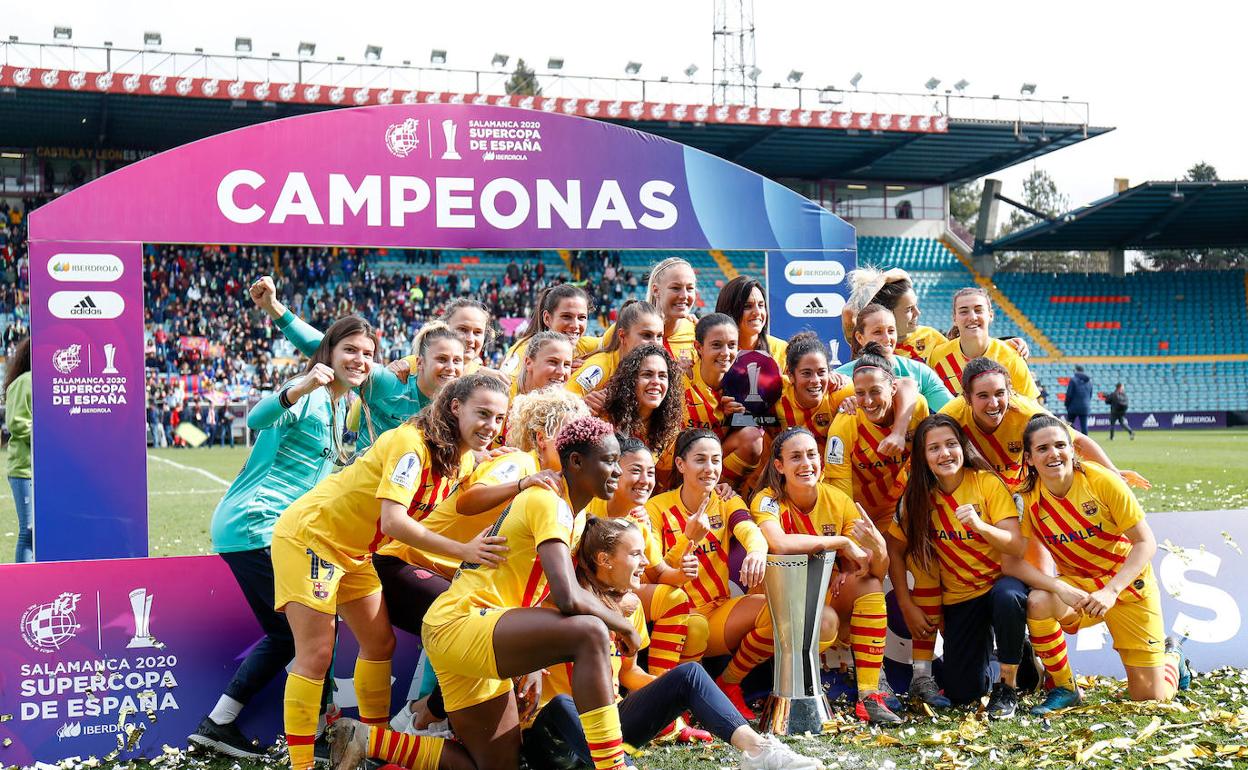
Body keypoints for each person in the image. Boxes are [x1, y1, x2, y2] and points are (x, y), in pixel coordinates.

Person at [272, 372, 510, 770]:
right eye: (482, 414)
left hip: (354, 553)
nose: (491, 426)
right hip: (312, 539)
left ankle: (371, 747)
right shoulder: (410, 443)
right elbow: (396, 522)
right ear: (455, 407)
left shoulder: (461, 454)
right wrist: (464, 550)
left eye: (499, 418)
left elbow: (469, 489)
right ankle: (302, 765)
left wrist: (517, 481)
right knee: (315, 655)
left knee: (380, 645)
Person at [404, 417, 639, 770]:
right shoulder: (549, 502)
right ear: (575, 462)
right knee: (591, 630)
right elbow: (567, 597)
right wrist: (622, 625)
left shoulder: (573, 511)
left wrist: (533, 660)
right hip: (463, 623)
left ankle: (369, 740)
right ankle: (613, 766)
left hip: (470, 630)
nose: (617, 472)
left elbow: (544, 593)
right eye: (608, 461)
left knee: (501, 767)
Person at [192, 317, 376, 758]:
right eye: (350, 348)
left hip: (277, 531)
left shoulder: (341, 408)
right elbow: (257, 417)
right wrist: (301, 385)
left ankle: (222, 724)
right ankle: (310, 732)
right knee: (310, 630)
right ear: (329, 352)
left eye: (368, 353)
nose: (360, 359)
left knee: (290, 634)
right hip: (259, 525)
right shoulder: (309, 394)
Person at [518, 517, 824, 770]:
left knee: (687, 676)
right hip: (552, 740)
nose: (646, 561)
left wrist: (667, 694)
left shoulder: (629, 606)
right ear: (604, 559)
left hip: (605, 731)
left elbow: (628, 674)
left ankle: (761, 752)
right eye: (636, 553)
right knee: (563, 704)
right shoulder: (556, 606)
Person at [379, 387, 589, 734]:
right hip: (408, 562)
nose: (575, 447)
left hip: (455, 577)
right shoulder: (521, 463)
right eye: (567, 435)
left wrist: (532, 656)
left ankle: (427, 719)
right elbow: (468, 501)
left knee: (480, 632)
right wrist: (521, 482)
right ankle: (418, 719)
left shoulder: (562, 499)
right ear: (541, 439)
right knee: (465, 627)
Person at [1004, 414, 1190, 716]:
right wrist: (1058, 586)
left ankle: (1173, 658)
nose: (1054, 454)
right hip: (1081, 587)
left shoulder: (1102, 481)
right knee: (1039, 601)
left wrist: (1112, 590)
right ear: (1029, 457)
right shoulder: (1028, 499)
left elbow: (1146, 543)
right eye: (1043, 449)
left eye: (1060, 445)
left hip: (1127, 585)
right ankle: (1064, 688)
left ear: (1072, 449)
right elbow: (1012, 563)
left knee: (1151, 698)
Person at [751, 427, 897, 723]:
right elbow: (779, 543)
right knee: (824, 620)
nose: (806, 463)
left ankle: (869, 696)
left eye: (811, 455)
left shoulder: (838, 500)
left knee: (868, 585)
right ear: (779, 466)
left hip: (828, 599)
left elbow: (875, 570)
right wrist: (841, 544)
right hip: (780, 608)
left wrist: (879, 548)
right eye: (795, 457)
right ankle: (799, 689)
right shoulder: (767, 499)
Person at [889, 414, 1029, 718]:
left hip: (998, 585)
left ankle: (1009, 682)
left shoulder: (986, 482)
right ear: (923, 457)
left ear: (963, 447)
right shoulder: (917, 498)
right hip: (960, 598)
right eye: (934, 448)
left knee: (1008, 597)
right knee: (964, 692)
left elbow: (1017, 545)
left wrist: (981, 527)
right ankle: (1017, 654)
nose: (945, 454)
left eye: (951, 444)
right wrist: (906, 603)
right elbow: (895, 550)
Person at [251, 276, 466, 452]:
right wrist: (274, 308)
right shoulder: (391, 384)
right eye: (441, 359)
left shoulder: (461, 406)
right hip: (364, 496)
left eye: (457, 361)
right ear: (420, 363)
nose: (451, 367)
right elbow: (325, 348)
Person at [645, 429, 770, 719]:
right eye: (700, 460)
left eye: (716, 460)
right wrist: (687, 539)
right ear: (680, 465)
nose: (710, 468)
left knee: (775, 613)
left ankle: (729, 683)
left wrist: (756, 552)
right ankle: (682, 703)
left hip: (716, 614)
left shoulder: (726, 500)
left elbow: (751, 530)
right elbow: (654, 573)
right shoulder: (656, 508)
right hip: (673, 619)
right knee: (695, 625)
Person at [938, 357, 1146, 489]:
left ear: (1009, 391)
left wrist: (1115, 474)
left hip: (1022, 490)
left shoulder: (1028, 412)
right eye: (983, 396)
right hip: (976, 490)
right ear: (967, 397)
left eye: (1000, 394)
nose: (993, 403)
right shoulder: (950, 416)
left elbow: (1079, 441)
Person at [824, 342, 930, 528]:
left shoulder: (917, 407)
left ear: (893, 389)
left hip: (900, 508)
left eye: (876, 391)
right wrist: (855, 529)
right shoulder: (844, 423)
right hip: (860, 513)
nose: (868, 401)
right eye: (860, 393)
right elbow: (840, 494)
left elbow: (923, 464)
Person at [682, 313, 764, 488]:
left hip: (713, 464)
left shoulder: (746, 384)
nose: (726, 353)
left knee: (754, 437)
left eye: (732, 345)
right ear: (698, 347)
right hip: (679, 466)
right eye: (717, 345)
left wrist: (736, 418)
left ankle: (724, 493)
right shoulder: (680, 380)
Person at [926, 288, 1039, 400]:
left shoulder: (1011, 357)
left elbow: (1031, 406)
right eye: (964, 311)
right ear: (954, 318)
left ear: (990, 315)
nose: (972, 317)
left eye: (978, 310)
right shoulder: (937, 356)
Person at [836, 303, 951, 411]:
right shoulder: (841, 377)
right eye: (877, 332)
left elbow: (953, 412)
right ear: (860, 338)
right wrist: (841, 407)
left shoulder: (920, 373)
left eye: (891, 331)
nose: (887, 339)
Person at [600, 344, 685, 488]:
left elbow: (661, 486)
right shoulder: (605, 417)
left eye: (662, 376)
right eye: (647, 374)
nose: (656, 382)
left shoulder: (669, 431)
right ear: (630, 379)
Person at [567, 300, 664, 405]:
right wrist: (582, 405)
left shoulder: (653, 370)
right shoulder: (598, 369)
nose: (655, 343)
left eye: (659, 336)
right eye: (646, 335)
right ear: (622, 336)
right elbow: (560, 404)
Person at [499, 284, 600, 380]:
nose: (575, 325)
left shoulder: (583, 345)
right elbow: (502, 389)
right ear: (547, 318)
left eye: (582, 317)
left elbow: (613, 339)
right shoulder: (525, 350)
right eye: (566, 317)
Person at [714, 275, 788, 363]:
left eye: (761, 305)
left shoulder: (781, 350)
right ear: (729, 310)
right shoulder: (711, 354)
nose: (757, 312)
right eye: (747, 306)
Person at [3, 337, 32, 563]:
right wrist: (49, 440)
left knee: (37, 532)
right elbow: (18, 423)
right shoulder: (25, 382)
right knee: (28, 531)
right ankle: (26, 582)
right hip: (24, 470)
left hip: (38, 470)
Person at [1064, 365, 1093, 435]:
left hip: (1073, 407)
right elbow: (1090, 395)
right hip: (1085, 407)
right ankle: (1085, 444)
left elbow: (1069, 394)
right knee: (1084, 426)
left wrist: (1066, 404)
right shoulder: (1089, 381)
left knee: (1068, 424)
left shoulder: (1073, 380)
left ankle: (1069, 439)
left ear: (1076, 370)